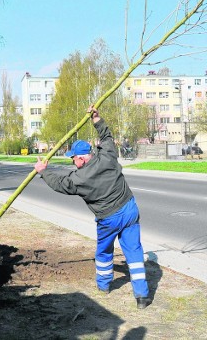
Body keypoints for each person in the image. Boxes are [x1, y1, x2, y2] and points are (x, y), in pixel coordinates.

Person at [34, 105, 151, 309]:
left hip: (108, 218)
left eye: (73, 158)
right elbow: (107, 137)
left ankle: (104, 285)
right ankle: (142, 296)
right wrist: (97, 119)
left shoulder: (80, 178)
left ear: (81, 158)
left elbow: (60, 184)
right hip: (130, 209)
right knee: (134, 251)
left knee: (104, 253)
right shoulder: (107, 155)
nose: (72, 162)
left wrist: (43, 172)